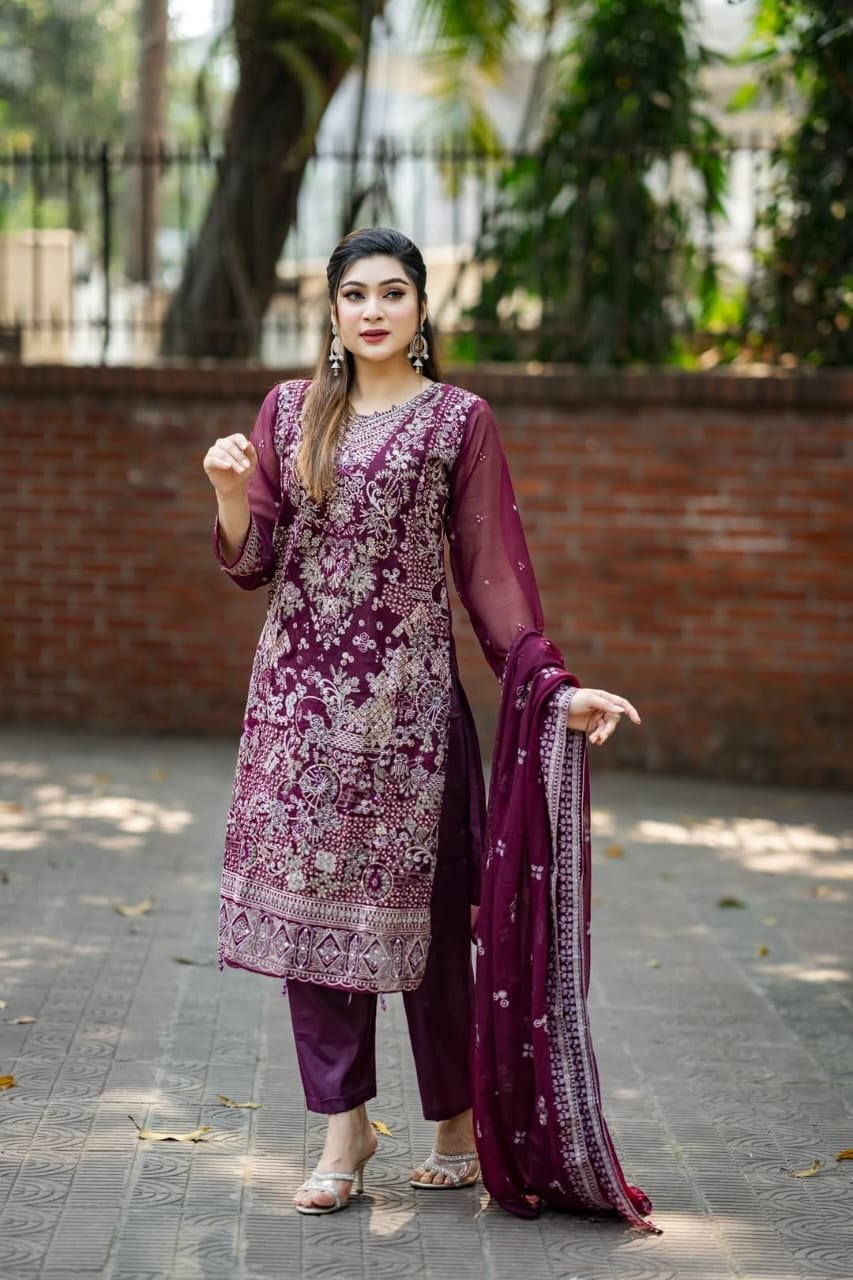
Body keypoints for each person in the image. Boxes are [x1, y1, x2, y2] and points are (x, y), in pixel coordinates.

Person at [203, 227, 641, 1217]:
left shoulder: (457, 420)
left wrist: (552, 686)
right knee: (313, 926)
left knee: (435, 926)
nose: (373, 310)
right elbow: (252, 559)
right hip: (296, 715)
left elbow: (490, 573)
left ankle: (452, 1115)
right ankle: (343, 1127)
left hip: (411, 721)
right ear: (331, 310)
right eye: (355, 293)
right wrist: (230, 493)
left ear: (421, 308)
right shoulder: (289, 411)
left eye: (392, 292)